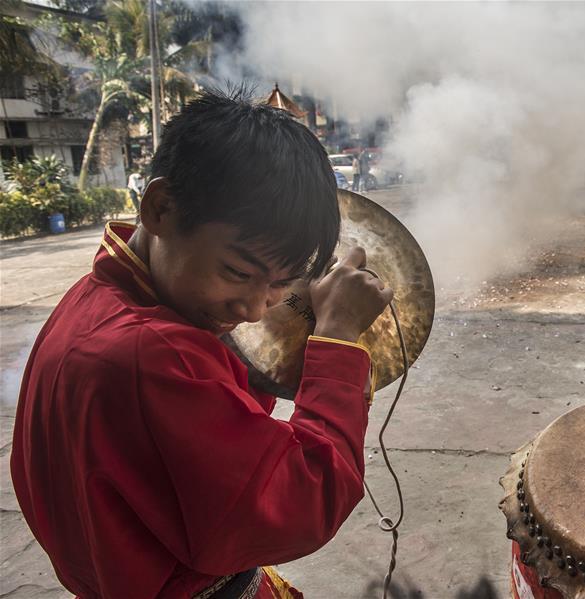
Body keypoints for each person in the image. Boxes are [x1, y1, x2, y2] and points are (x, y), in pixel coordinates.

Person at [11, 90, 393, 598]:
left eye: (282, 283)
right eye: (238, 272)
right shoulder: (149, 355)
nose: (256, 308)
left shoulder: (94, 298)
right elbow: (301, 501)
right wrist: (338, 338)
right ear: (161, 209)